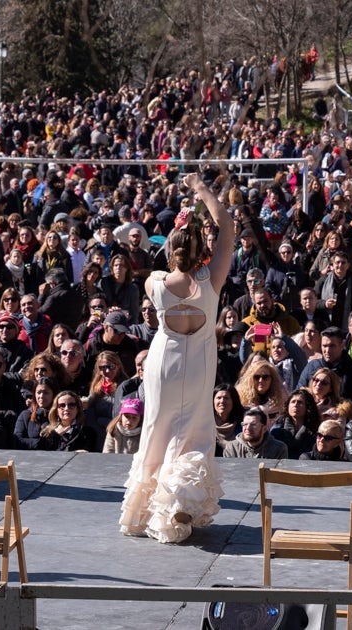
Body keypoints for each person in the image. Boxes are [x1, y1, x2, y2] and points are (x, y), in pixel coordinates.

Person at [120, 171, 234, 544]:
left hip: (163, 364)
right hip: (199, 363)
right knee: (195, 433)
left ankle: (147, 506)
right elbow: (227, 226)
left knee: (157, 428)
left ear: (171, 249)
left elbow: (169, 260)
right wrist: (200, 188)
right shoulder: (211, 281)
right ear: (203, 249)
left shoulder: (154, 283)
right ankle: (180, 498)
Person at [222, 406, 289, 459]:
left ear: (264, 428)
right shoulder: (232, 448)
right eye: (245, 424)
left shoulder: (278, 449)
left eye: (253, 424)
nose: (248, 428)